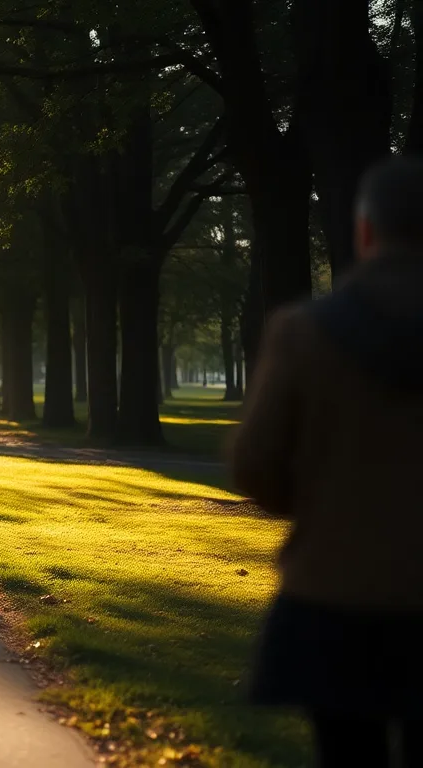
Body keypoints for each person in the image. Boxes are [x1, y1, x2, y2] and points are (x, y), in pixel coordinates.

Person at [231, 156, 423, 767]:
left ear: (365, 232)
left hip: (335, 597)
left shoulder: (303, 334)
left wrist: (322, 507)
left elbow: (256, 466)